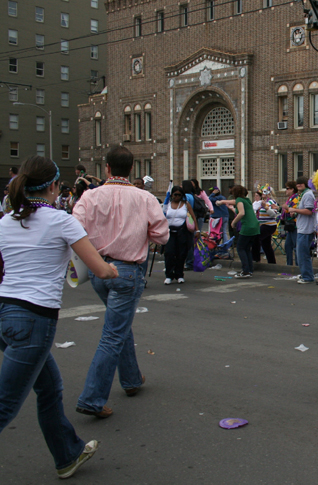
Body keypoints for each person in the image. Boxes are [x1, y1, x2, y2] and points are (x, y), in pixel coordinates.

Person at [0, 156, 119, 478]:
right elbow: (98, 269)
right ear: (54, 186)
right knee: (5, 404)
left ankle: (67, 455)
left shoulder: (7, 220)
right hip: (33, 319)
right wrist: (111, 269)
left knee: (50, 389)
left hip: (5, 311)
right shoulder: (61, 221)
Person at [70, 146, 168, 420]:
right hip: (127, 271)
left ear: (107, 168)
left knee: (119, 325)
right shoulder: (144, 197)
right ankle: (92, 398)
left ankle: (131, 379)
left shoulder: (90, 196)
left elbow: (74, 229)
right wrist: (140, 231)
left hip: (98, 269)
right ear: (132, 169)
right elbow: (162, 235)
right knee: (113, 333)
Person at [162, 186, 198, 284]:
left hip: (182, 232)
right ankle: (169, 275)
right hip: (169, 232)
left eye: (179, 195)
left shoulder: (186, 204)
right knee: (169, 253)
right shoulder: (167, 204)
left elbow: (193, 217)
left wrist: (197, 230)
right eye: (175, 195)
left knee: (181, 254)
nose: (177, 197)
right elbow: (161, 216)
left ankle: (179, 274)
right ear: (172, 195)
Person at [289, 176, 316, 284]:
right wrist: (295, 212)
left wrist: (295, 210)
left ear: (306, 184)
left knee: (303, 254)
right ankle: (305, 273)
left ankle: (308, 277)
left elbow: (309, 211)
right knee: (300, 254)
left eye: (301, 183)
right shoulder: (303, 194)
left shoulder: (308, 194)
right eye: (297, 183)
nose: (298, 185)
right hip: (302, 228)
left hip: (306, 229)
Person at [230, 185, 260, 278]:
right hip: (255, 226)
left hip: (247, 226)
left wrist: (234, 222)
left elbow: (241, 213)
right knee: (247, 248)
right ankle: (249, 269)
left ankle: (245, 271)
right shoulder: (247, 200)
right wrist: (223, 202)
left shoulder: (239, 200)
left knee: (240, 248)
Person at [252, 185, 279, 264]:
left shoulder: (271, 202)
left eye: (264, 192)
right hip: (262, 225)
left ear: (269, 193)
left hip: (269, 225)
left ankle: (255, 259)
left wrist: (266, 207)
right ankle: (272, 263)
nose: (262, 193)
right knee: (266, 245)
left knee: (256, 239)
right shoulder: (261, 202)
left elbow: (273, 214)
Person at [281, 181, 300, 266]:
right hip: (289, 225)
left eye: (287, 188)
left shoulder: (296, 198)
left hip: (294, 225)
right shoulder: (290, 199)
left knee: (295, 246)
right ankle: (289, 264)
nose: (286, 190)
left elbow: (294, 211)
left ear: (292, 189)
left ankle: (297, 265)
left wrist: (287, 208)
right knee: (287, 246)